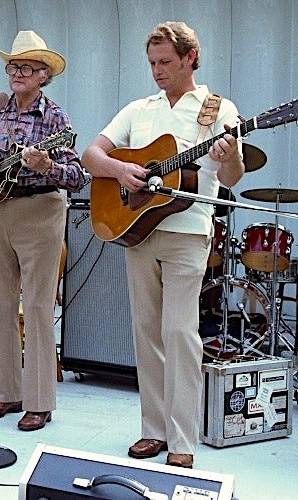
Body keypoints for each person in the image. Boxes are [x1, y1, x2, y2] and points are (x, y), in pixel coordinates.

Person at [81, 22, 244, 468]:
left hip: (188, 231)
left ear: (191, 58)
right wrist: (120, 171)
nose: (157, 71)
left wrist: (230, 156)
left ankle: (182, 439)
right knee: (146, 331)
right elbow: (91, 155)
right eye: (152, 63)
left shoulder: (217, 108)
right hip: (140, 228)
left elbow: (231, 178)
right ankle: (152, 430)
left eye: (166, 62)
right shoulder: (140, 109)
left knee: (179, 333)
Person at [0, 30, 86, 431]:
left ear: (44, 75)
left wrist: (46, 165)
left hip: (40, 211)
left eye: (27, 68)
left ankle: (39, 401)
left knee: (36, 306)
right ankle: (6, 393)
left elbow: (77, 176)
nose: (17, 73)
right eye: (13, 66)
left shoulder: (55, 118)